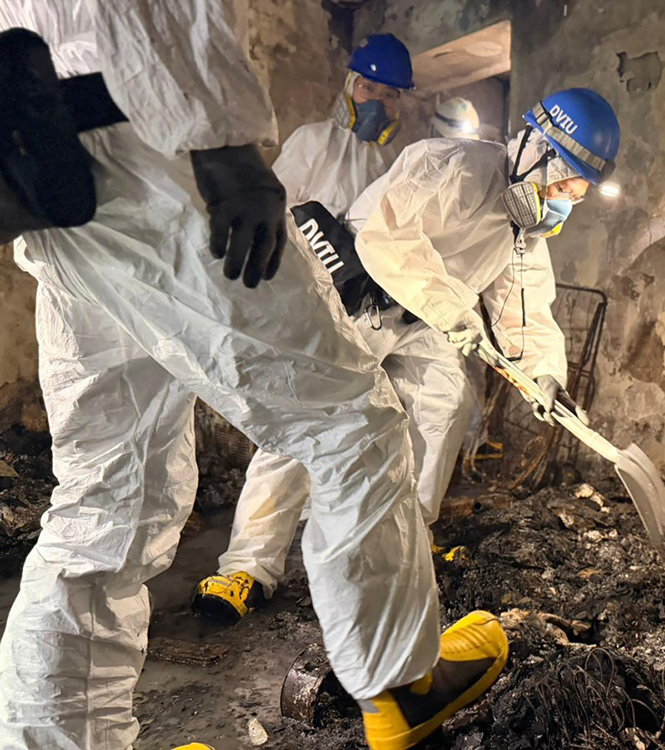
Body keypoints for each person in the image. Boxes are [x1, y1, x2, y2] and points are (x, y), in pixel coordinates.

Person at [0, 4, 506, 749]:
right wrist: (224, 144)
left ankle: (64, 737)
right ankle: (400, 684)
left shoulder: (393, 156)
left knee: (107, 499)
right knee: (352, 423)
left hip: (49, 169)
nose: (379, 102)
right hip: (151, 154)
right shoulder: (328, 146)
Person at [190, 85, 622, 628]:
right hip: (360, 298)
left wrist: (546, 378)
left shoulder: (523, 232)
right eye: (561, 185)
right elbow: (387, 243)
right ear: (535, 151)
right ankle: (248, 566)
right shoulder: (451, 165)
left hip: (427, 320)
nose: (562, 204)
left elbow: (526, 310)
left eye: (576, 196)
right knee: (309, 422)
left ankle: (407, 544)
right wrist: (455, 313)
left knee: (442, 406)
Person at [191, 32, 416, 622]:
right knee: (293, 435)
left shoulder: (394, 162)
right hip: (309, 313)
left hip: (366, 319)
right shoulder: (315, 141)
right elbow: (280, 214)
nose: (379, 103)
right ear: (349, 86)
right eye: (370, 88)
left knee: (366, 438)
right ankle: (246, 568)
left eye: (391, 95)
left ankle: (343, 562)